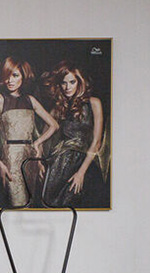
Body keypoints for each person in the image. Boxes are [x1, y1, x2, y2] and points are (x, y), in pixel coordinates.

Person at [0, 57, 59, 207]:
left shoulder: (30, 100)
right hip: (11, 159)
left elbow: (54, 125)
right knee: (18, 203)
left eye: (15, 75)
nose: (10, 80)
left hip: (31, 158)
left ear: (23, 76)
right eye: (6, 76)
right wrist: (0, 164)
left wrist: (37, 143)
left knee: (31, 203)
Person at [41, 63, 104, 206]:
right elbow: (43, 137)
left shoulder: (94, 103)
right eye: (63, 83)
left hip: (85, 163)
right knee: (56, 206)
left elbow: (97, 142)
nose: (67, 87)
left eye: (72, 82)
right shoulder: (58, 108)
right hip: (59, 165)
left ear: (80, 82)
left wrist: (81, 172)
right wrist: (40, 163)